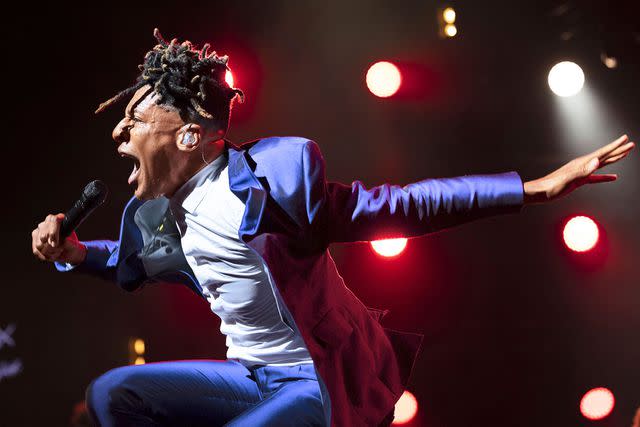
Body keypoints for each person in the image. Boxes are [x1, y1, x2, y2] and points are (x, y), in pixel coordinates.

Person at [31, 29, 635, 427]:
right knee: (114, 396)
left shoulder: (274, 181)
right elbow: (126, 264)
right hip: (249, 378)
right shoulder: (156, 215)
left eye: (135, 120)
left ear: (188, 135)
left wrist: (529, 189)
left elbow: (401, 205)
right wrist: (76, 251)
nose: (119, 134)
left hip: (316, 380)